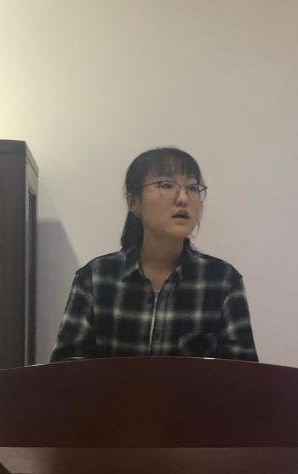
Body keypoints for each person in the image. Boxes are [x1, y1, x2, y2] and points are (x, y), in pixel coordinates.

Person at [50, 147, 258, 362]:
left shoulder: (222, 280)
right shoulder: (95, 278)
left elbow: (243, 375)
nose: (183, 198)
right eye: (166, 185)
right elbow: (66, 370)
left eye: (192, 188)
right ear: (133, 202)